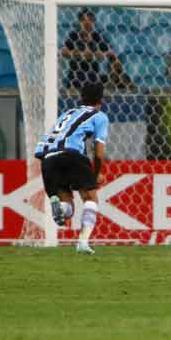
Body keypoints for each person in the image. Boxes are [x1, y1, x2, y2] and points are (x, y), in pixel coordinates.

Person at [33, 84, 109, 255]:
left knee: (68, 208)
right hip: (71, 155)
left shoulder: (67, 113)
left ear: (81, 98)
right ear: (101, 100)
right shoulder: (99, 116)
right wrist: (95, 175)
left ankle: (60, 207)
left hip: (48, 159)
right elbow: (98, 154)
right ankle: (83, 241)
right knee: (90, 198)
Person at [61, 9, 115, 90]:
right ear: (79, 22)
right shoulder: (74, 35)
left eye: (90, 20)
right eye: (83, 20)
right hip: (76, 75)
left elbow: (110, 52)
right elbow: (64, 52)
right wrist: (79, 54)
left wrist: (96, 55)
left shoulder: (97, 36)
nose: (87, 23)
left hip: (92, 75)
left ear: (94, 22)